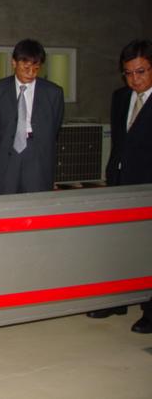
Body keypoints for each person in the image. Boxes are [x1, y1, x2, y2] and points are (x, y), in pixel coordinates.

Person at [87, 39, 152, 332]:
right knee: (117, 244)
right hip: (119, 183)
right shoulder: (120, 97)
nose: (134, 79)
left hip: (147, 186)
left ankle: (150, 310)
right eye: (128, 73)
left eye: (141, 71)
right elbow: (119, 143)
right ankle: (116, 300)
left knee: (146, 248)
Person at [0, 39, 64, 194]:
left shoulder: (53, 92)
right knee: (7, 198)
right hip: (7, 152)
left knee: (37, 200)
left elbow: (55, 125)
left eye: (36, 68)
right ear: (14, 63)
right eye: (26, 67)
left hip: (38, 153)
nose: (31, 73)